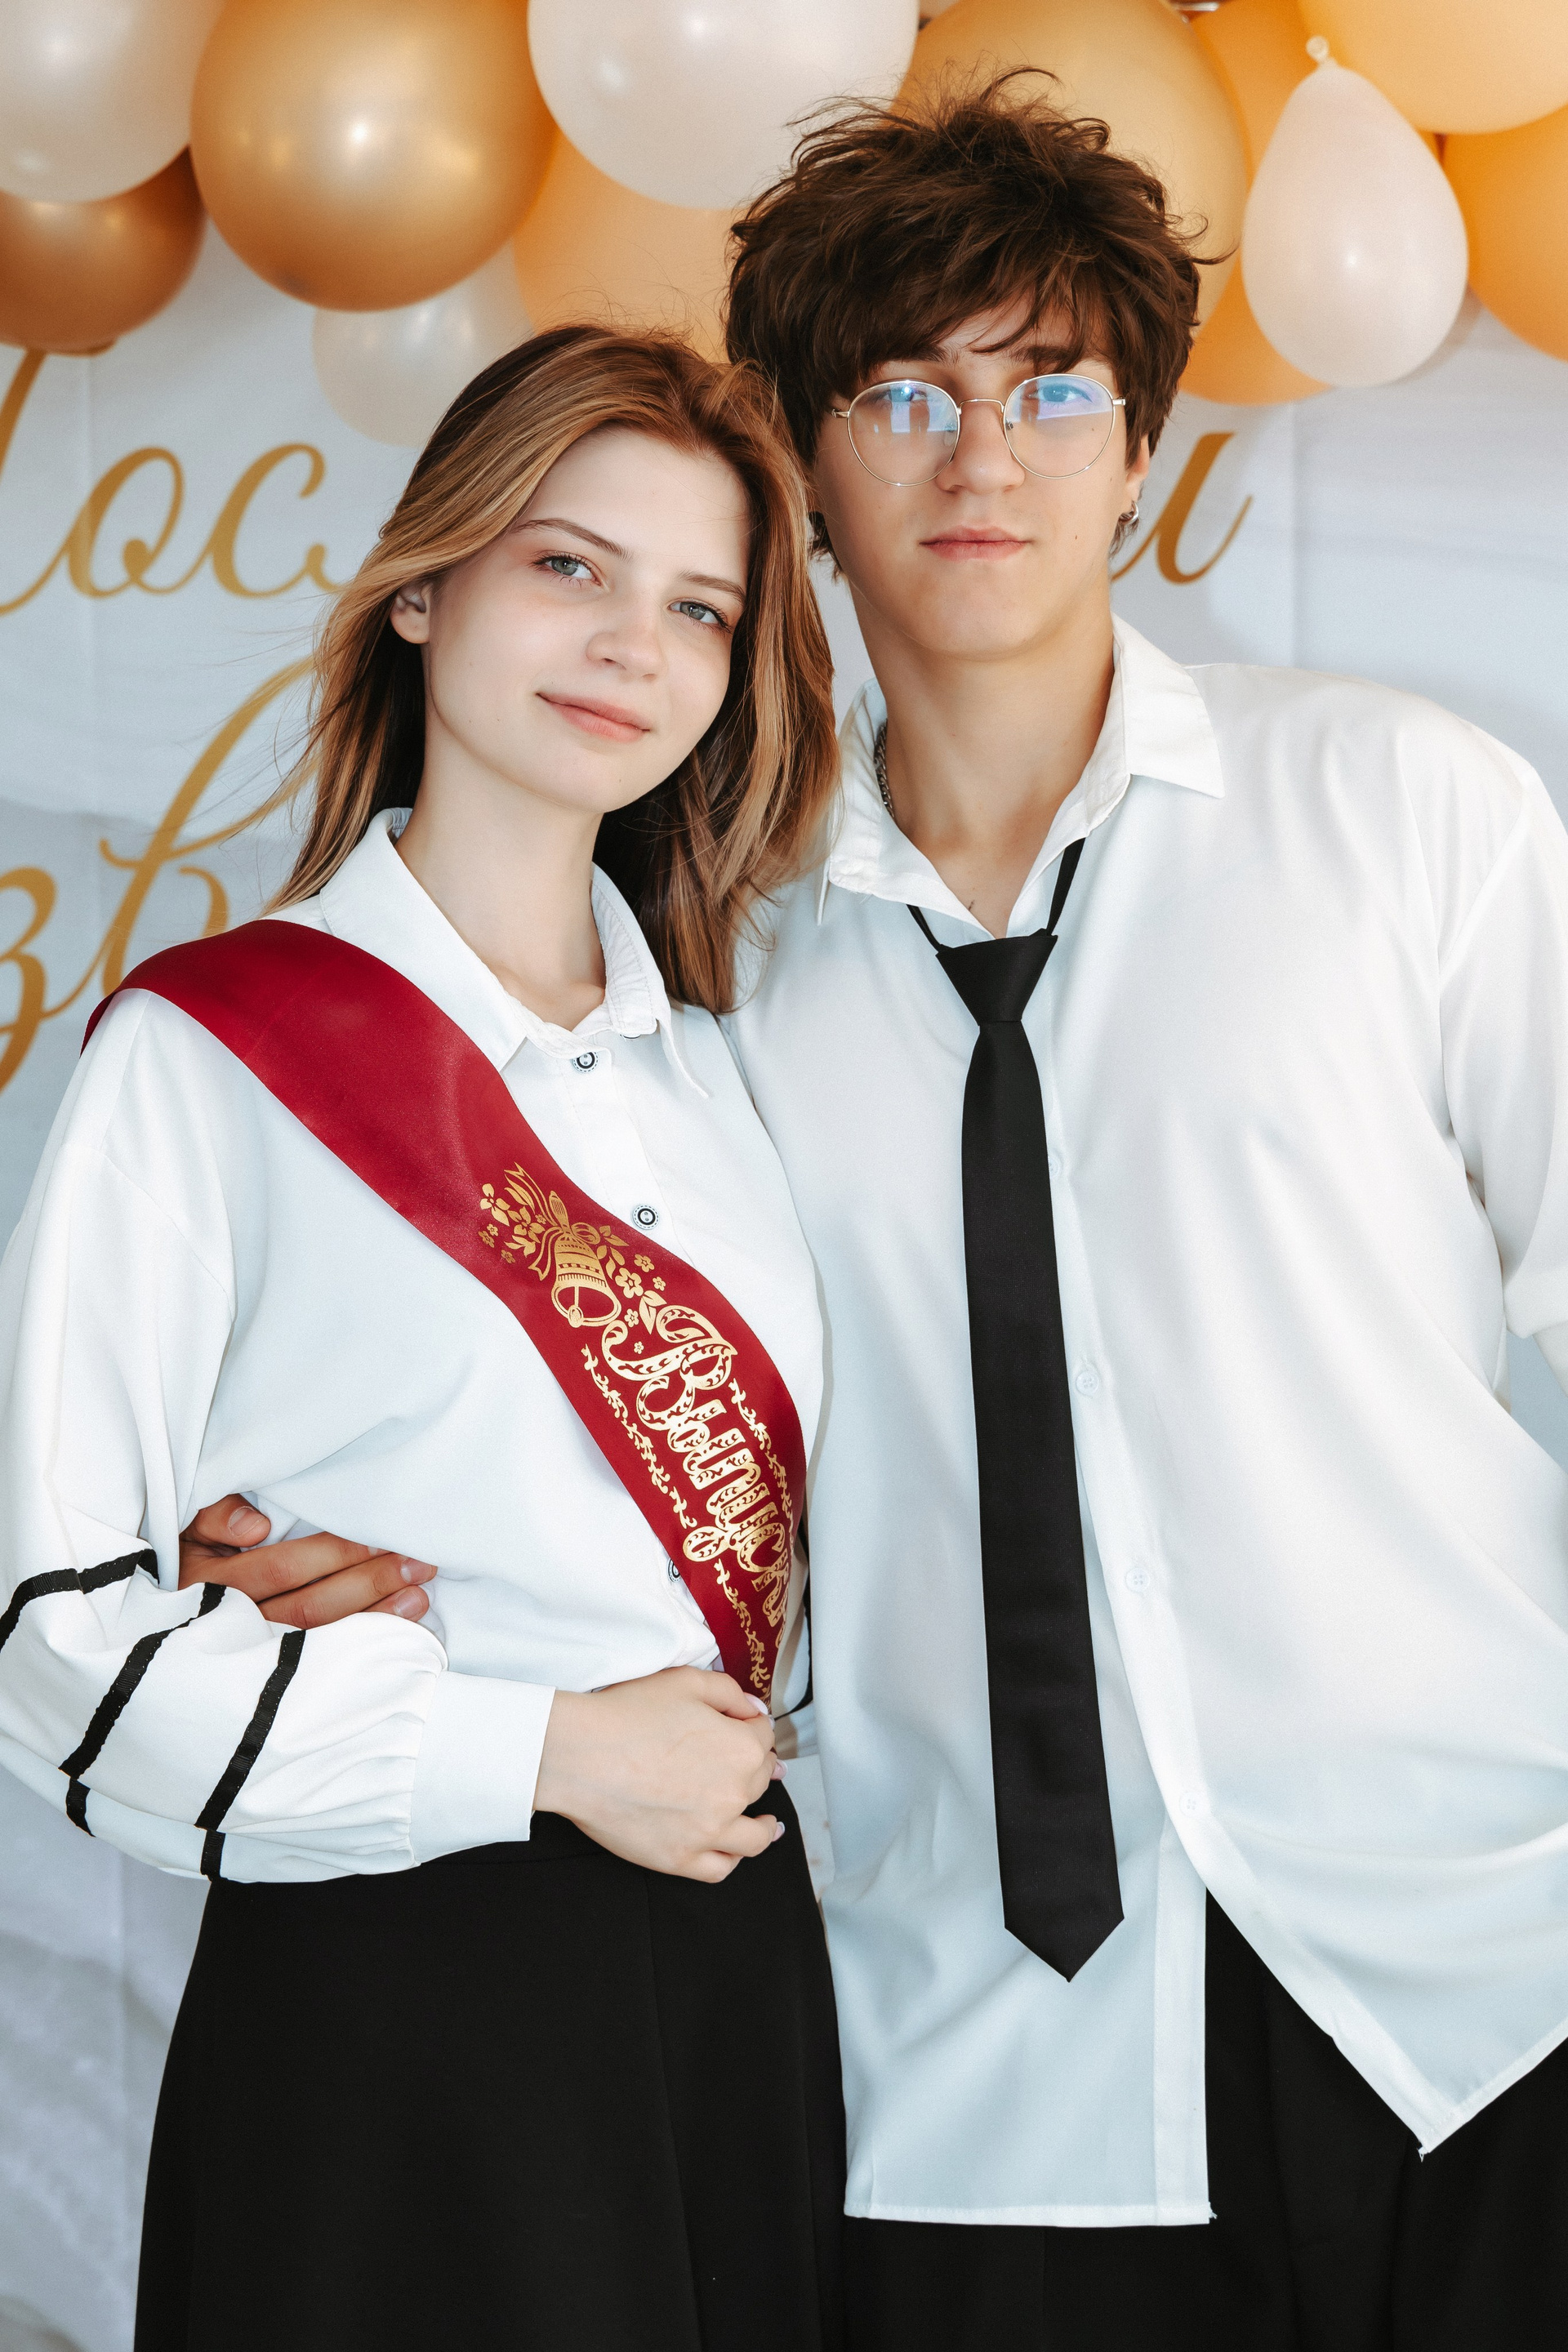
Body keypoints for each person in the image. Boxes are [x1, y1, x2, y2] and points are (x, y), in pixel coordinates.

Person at [182, 77, 1568, 2352]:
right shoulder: (686, 967)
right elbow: (530, 1381)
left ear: (1144, 449)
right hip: (961, 2054)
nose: (982, 452)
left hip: (1487, 1971)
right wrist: (319, 1538)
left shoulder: (1406, 813)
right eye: (905, 393)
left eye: (1053, 389)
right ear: (804, 472)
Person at [0, 325, 847, 2352]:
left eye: (700, 607)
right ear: (423, 585)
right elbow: (54, 1637)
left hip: (738, 1969)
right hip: (397, 1998)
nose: (631, 644)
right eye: (569, 565)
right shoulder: (206, 1055)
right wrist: (543, 1751)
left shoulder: (734, 1077)